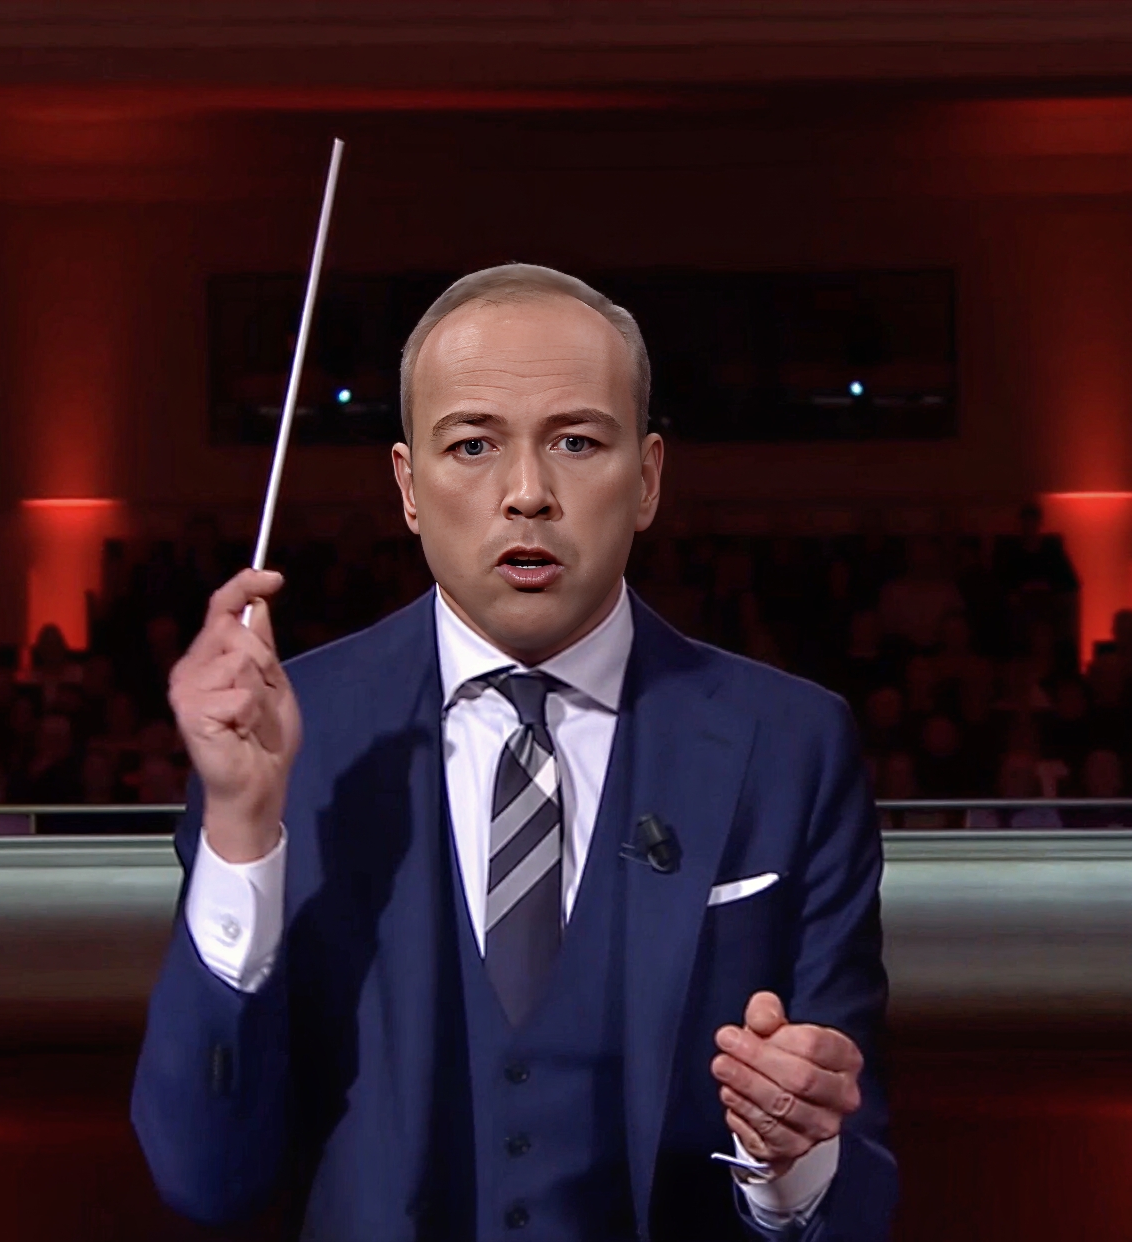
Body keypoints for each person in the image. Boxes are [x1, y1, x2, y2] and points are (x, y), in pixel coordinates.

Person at [134, 265, 895, 1240]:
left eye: (576, 442)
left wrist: (790, 1159)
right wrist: (241, 833)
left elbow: (857, 1185)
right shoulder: (286, 733)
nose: (527, 494)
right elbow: (203, 1176)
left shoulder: (790, 746)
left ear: (648, 479)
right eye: (472, 445)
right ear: (408, 487)